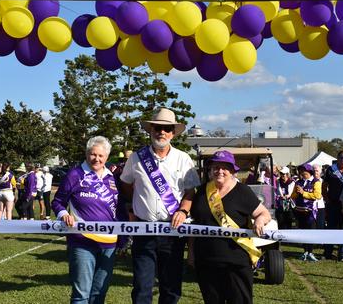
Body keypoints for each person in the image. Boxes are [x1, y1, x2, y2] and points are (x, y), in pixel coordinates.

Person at [119, 107, 200, 304]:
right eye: (157, 128)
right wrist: (132, 207)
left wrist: (182, 210)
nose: (161, 132)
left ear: (173, 133)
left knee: (171, 287)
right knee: (141, 288)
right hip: (143, 229)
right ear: (151, 130)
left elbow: (190, 192)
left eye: (166, 128)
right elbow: (126, 184)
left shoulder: (184, 158)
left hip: (171, 231)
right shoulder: (136, 158)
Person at [189, 150, 271, 304]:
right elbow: (195, 224)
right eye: (216, 167)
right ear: (210, 169)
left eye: (225, 167)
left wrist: (259, 221)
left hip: (236, 262)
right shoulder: (201, 192)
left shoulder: (243, 191)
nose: (220, 171)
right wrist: (192, 252)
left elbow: (264, 214)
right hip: (206, 261)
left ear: (233, 170)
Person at [52, 136, 118, 304]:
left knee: (99, 293)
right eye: (92, 154)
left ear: (107, 157)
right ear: (87, 154)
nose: (96, 158)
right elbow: (58, 202)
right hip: (82, 241)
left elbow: (121, 210)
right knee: (81, 294)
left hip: (109, 243)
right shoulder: (75, 174)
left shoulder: (113, 178)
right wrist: (62, 215)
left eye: (100, 156)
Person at [322, 151, 343, 260]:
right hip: (333, 204)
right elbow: (324, 185)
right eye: (342, 158)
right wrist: (326, 198)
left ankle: (342, 253)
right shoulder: (331, 169)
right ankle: (328, 252)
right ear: (338, 158)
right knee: (331, 228)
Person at [291, 163, 322, 262]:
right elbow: (293, 196)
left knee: (311, 232)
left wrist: (303, 193)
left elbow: (317, 195)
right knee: (303, 232)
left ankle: (311, 252)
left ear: (309, 171)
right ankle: (305, 252)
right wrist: (296, 192)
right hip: (300, 211)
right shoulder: (298, 182)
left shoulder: (316, 182)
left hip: (311, 212)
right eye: (300, 171)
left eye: (303, 171)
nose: (301, 173)